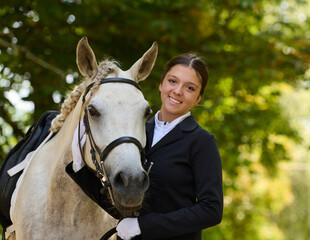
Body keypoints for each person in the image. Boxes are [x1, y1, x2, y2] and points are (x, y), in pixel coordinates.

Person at [66, 53, 223, 240]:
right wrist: (79, 165)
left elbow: (211, 209)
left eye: (190, 88)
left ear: (198, 99)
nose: (178, 91)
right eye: (172, 81)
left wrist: (143, 226)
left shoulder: (201, 141)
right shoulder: (136, 133)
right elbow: (112, 193)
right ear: (161, 84)